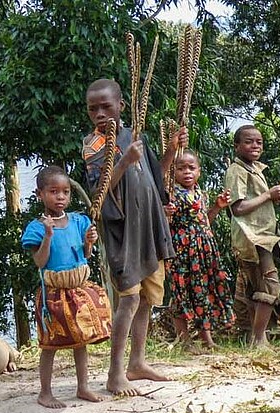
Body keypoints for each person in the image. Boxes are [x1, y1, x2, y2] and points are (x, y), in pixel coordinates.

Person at [82, 78, 187, 396]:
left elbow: (155, 177)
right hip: (123, 233)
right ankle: (115, 374)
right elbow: (100, 192)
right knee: (128, 298)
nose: (100, 114)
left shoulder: (134, 136)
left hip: (150, 228)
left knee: (147, 299)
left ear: (121, 106)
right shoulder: (94, 146)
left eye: (106, 107)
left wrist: (170, 150)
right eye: (93, 109)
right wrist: (125, 160)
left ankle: (137, 362)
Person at [21, 166, 111, 408]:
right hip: (53, 292)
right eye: (53, 192)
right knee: (49, 344)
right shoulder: (37, 228)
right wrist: (48, 235)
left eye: (65, 192)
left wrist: (89, 243)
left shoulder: (79, 221)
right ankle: (45, 392)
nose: (60, 197)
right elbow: (40, 261)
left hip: (77, 288)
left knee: (80, 340)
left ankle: (83, 387)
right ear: (40, 194)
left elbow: (84, 254)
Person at [165, 149, 236, 349]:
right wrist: (165, 212)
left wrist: (218, 206)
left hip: (204, 250)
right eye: (181, 168)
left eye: (191, 168)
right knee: (181, 291)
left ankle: (207, 340)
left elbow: (205, 221)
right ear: (173, 172)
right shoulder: (171, 194)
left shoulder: (200, 193)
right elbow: (164, 224)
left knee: (203, 291)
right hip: (181, 251)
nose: (186, 172)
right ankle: (184, 339)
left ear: (199, 171)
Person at [224, 124, 280, 347]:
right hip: (253, 237)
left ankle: (256, 337)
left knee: (256, 286)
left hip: (262, 235)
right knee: (270, 284)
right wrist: (268, 195)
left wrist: (270, 197)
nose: (255, 146)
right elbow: (237, 208)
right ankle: (259, 338)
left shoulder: (254, 169)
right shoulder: (237, 170)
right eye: (249, 141)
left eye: (259, 142)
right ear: (237, 146)